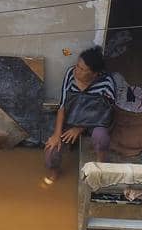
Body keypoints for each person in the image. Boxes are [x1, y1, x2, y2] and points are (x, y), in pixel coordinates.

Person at [44, 45, 116, 185]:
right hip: (72, 119)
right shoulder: (70, 74)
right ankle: (55, 172)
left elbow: (106, 113)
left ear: (94, 74)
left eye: (82, 69)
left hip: (95, 122)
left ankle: (100, 165)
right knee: (51, 151)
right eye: (77, 66)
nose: (77, 70)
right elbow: (62, 105)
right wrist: (57, 134)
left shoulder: (106, 83)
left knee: (101, 137)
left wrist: (80, 128)